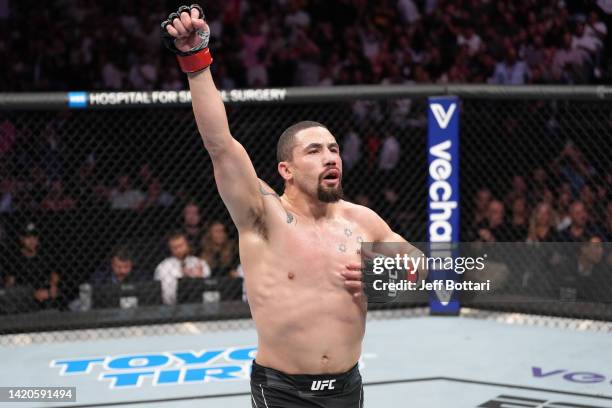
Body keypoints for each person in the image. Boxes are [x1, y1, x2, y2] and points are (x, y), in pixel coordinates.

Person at [161, 6, 425, 407]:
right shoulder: (264, 216)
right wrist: (196, 61)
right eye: (315, 151)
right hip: (283, 391)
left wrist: (392, 271)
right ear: (286, 169)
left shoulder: (361, 220)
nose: (331, 157)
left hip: (348, 387)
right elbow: (220, 144)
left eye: (334, 149)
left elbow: (420, 267)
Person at [3, 222, 61, 311]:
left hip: (43, 292)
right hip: (24, 295)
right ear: (21, 239)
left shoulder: (44, 254)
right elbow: (9, 285)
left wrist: (52, 288)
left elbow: (54, 275)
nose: (32, 240)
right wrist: (31, 293)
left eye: (34, 237)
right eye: (28, 237)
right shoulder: (14, 257)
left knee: (55, 295)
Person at [154, 231, 211, 305]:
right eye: (175, 247)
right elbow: (165, 293)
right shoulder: (163, 267)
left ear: (187, 245)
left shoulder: (200, 263)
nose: (178, 250)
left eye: (181, 246)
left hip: (200, 305)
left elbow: (210, 287)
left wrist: (199, 279)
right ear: (170, 249)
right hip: (173, 307)